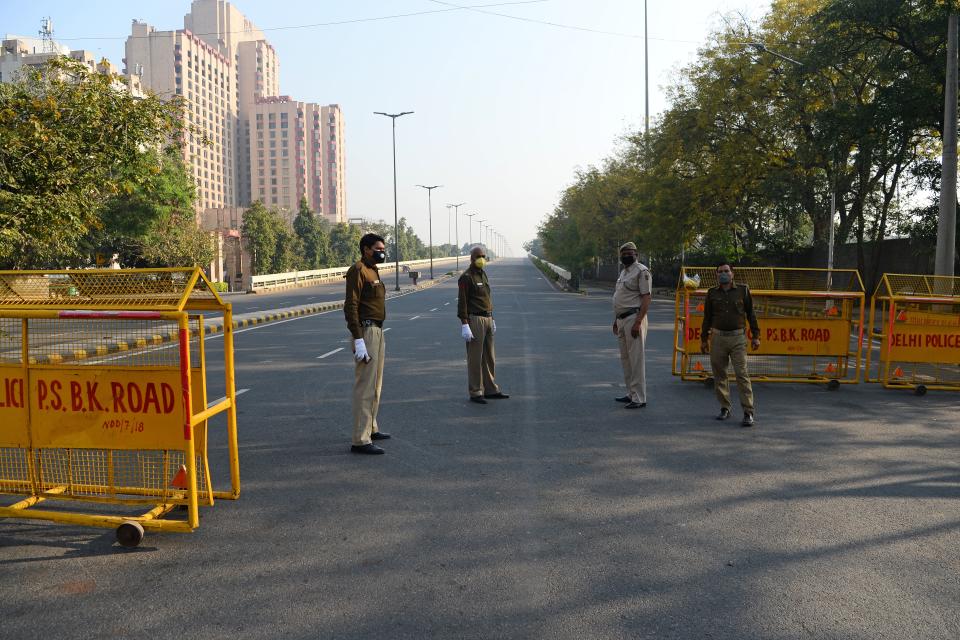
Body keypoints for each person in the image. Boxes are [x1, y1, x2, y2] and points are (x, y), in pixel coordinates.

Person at [344, 233, 391, 454]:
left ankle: (371, 428)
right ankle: (360, 440)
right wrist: (358, 338)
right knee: (365, 386)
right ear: (365, 249)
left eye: (383, 248)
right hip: (366, 331)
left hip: (378, 331)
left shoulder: (374, 270)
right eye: (377, 248)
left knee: (376, 384)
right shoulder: (358, 270)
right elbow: (351, 306)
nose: (382, 252)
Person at [700, 261, 761, 427]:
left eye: (726, 271)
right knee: (720, 375)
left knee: (742, 374)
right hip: (718, 338)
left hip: (738, 338)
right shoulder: (712, 293)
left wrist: (756, 335)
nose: (723, 274)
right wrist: (703, 339)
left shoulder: (743, 290)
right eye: (720, 272)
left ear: (732, 273)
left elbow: (751, 314)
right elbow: (707, 318)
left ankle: (748, 412)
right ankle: (725, 407)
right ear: (716, 275)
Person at [458, 245, 509, 404]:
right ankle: (475, 391)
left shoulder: (483, 274)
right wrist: (464, 324)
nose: (482, 259)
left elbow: (487, 298)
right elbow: (463, 303)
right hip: (475, 320)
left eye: (484, 256)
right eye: (479, 256)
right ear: (472, 259)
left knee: (489, 357)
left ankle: (491, 389)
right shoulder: (466, 277)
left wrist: (492, 317)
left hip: (487, 318)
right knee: (475, 358)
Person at [612, 242, 652, 409]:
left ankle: (639, 398)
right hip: (622, 320)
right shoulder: (623, 272)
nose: (626, 255)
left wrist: (638, 322)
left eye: (630, 252)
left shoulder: (642, 271)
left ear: (636, 254)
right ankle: (631, 393)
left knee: (636, 360)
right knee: (626, 359)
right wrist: (616, 319)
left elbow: (646, 297)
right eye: (624, 253)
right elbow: (621, 296)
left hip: (634, 318)